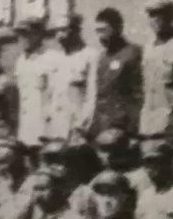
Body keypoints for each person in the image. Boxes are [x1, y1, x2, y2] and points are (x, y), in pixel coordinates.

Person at [89, 8, 143, 139]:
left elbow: (139, 94)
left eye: (104, 30)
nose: (100, 36)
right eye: (97, 31)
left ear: (117, 28)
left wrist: (131, 127)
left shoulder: (133, 53)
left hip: (123, 128)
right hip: (103, 127)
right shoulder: (102, 58)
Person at [138, 0, 173, 139]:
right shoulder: (148, 48)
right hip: (148, 123)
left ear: (172, 17)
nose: (156, 19)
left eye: (161, 14)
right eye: (152, 15)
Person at [45, 14, 97, 145]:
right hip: (57, 127)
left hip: (77, 127)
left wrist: (82, 126)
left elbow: (92, 95)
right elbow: (51, 94)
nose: (59, 36)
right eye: (56, 31)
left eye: (64, 30)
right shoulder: (55, 58)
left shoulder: (90, 55)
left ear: (76, 30)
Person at [13, 15, 52, 151]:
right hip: (25, 129)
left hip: (44, 129)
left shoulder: (50, 58)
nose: (22, 39)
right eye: (20, 35)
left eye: (26, 34)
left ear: (38, 35)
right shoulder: (21, 61)